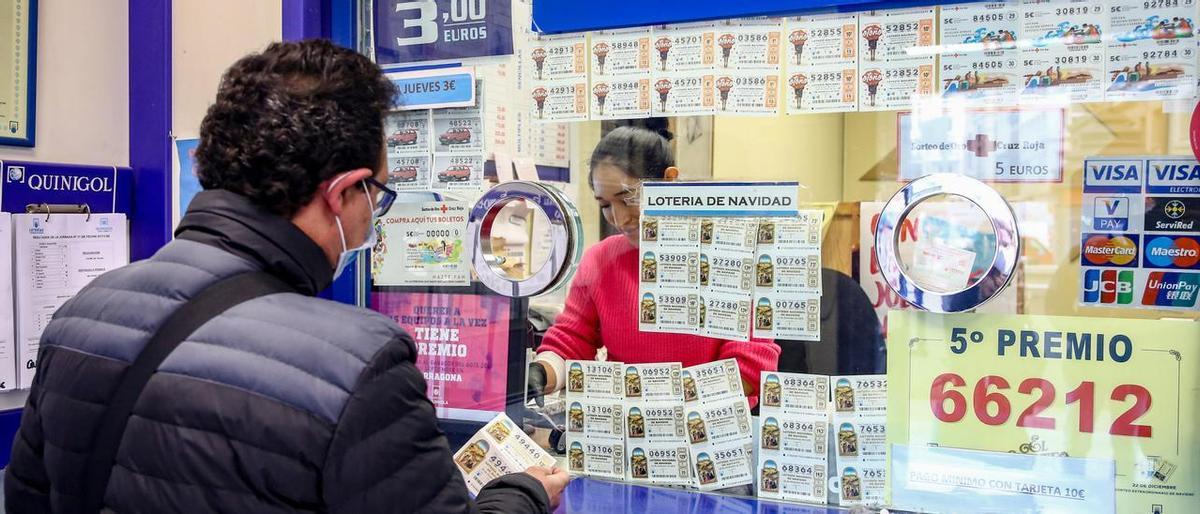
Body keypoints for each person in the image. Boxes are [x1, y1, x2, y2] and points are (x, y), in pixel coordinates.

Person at [4, 40, 567, 514]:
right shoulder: (357, 363)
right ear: (342, 192)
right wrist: (519, 495)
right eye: (377, 195)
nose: (374, 215)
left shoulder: (82, 314)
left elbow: (27, 497)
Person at [527, 126, 780, 405]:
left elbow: (749, 367)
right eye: (605, 205)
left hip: (710, 430)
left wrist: (661, 402)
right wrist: (543, 371)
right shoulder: (600, 260)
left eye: (628, 198)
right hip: (625, 429)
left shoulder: (727, 257)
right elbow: (572, 340)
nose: (619, 219)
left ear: (669, 181)